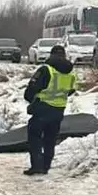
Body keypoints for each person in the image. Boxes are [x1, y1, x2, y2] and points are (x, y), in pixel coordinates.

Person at [23, 45, 75, 175]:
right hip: (59, 110)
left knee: (34, 136)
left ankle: (37, 165)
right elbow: (71, 90)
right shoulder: (70, 72)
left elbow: (32, 88)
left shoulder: (46, 69)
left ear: (51, 55)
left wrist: (31, 99)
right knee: (50, 139)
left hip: (42, 108)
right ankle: (46, 166)